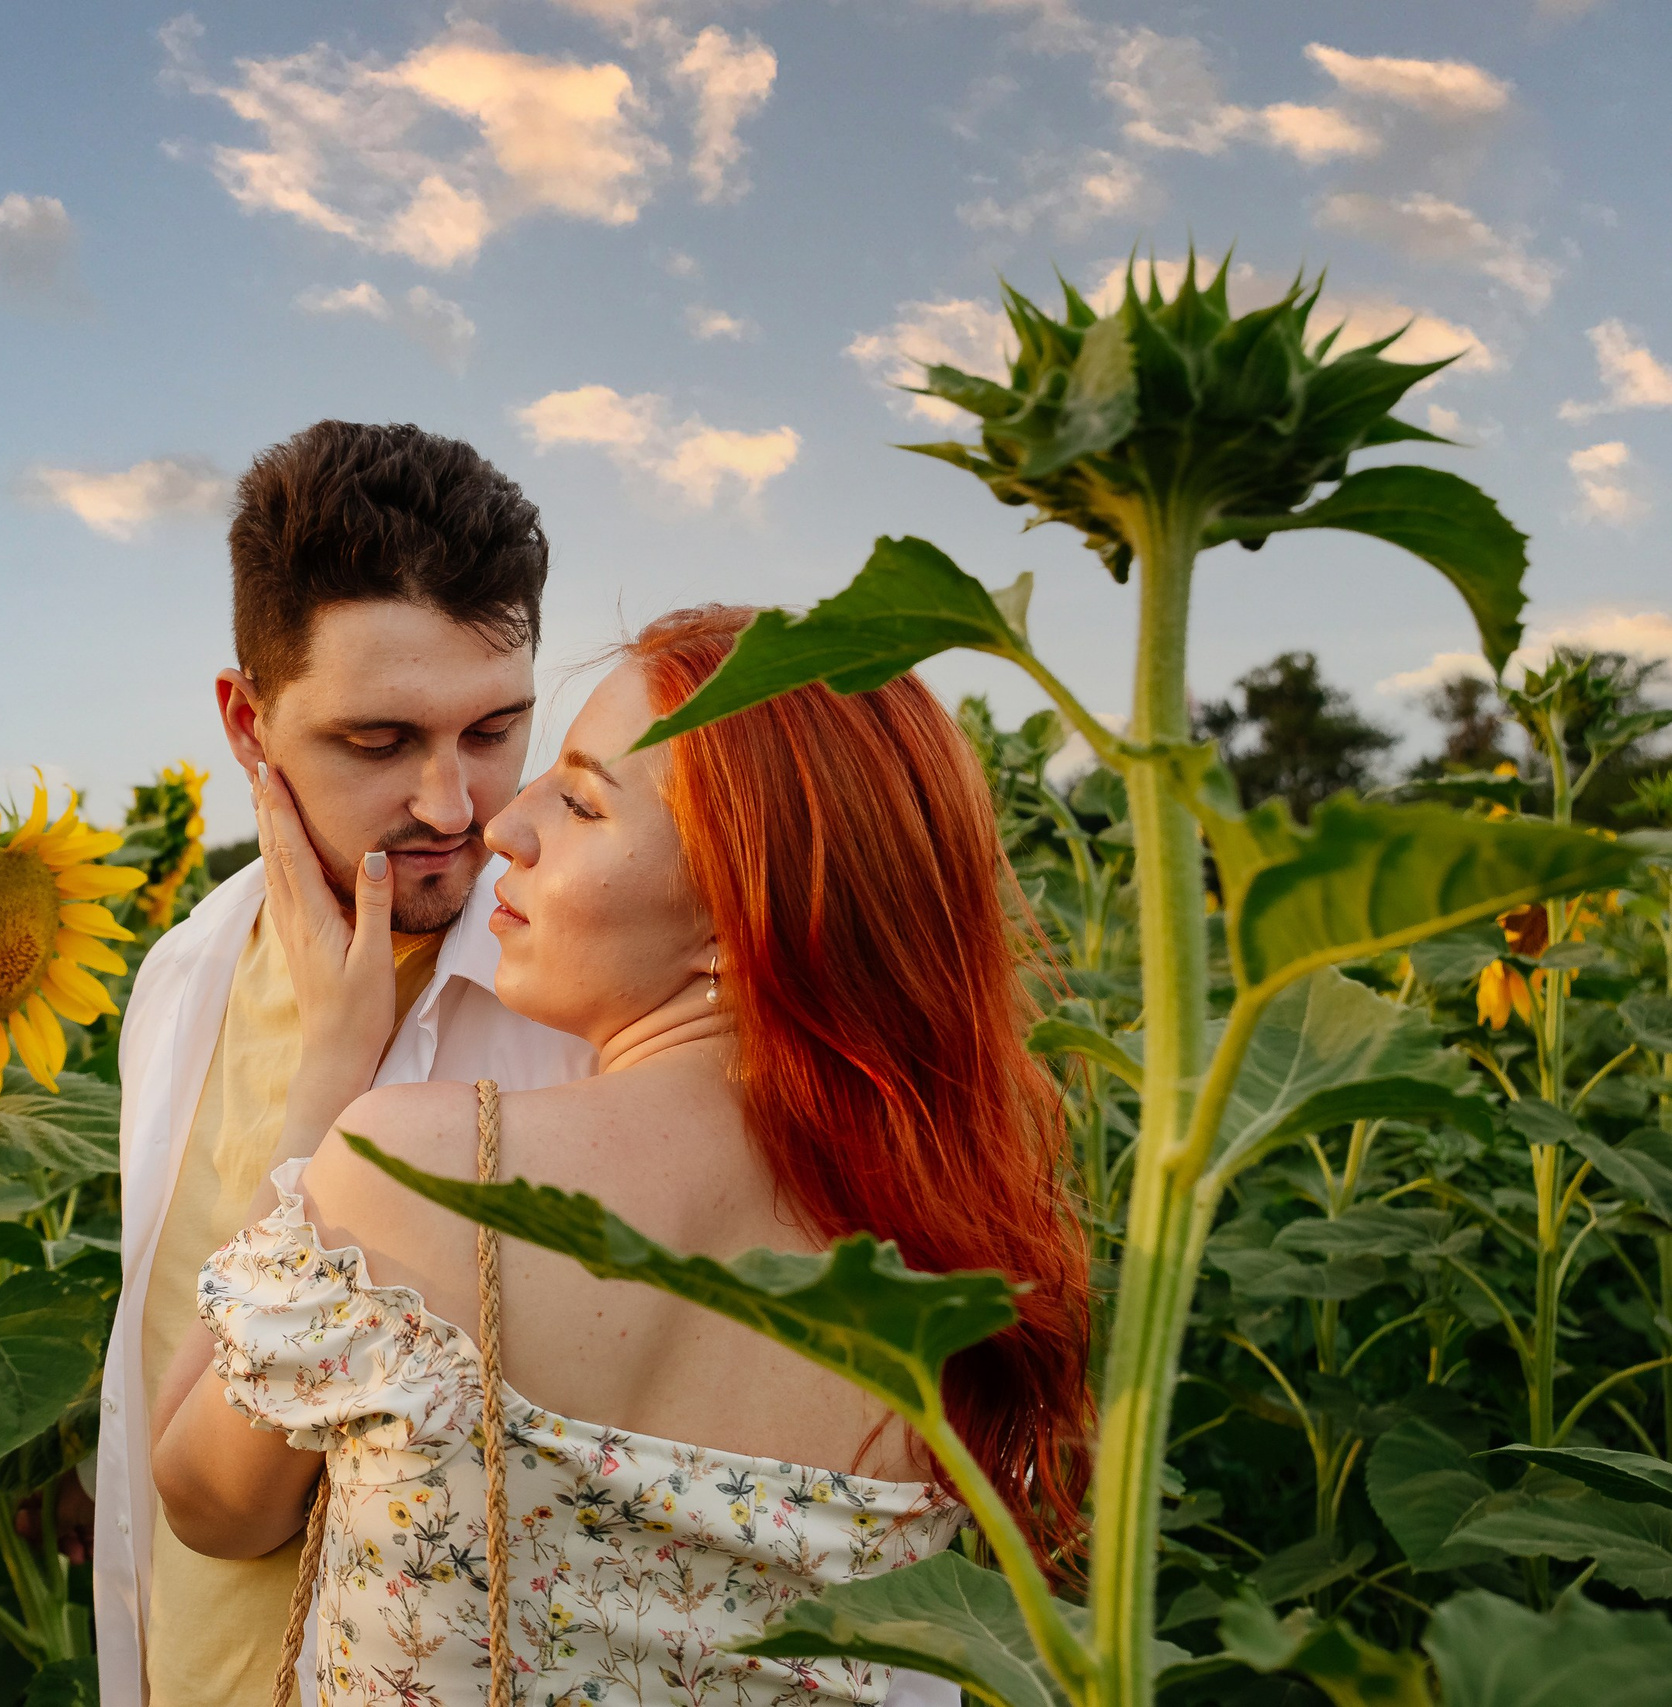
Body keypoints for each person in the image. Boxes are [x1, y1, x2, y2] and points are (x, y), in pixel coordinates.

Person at [153, 606, 1093, 1705]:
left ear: (740, 914)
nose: (504, 825)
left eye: (582, 801)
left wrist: (327, 1075)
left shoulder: (430, 1169)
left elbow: (210, 1502)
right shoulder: (955, 1265)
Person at [95, 421, 598, 1707]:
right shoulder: (184, 977)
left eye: (496, 731)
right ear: (246, 723)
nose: (454, 806)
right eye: (377, 743)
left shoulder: (589, 1007)